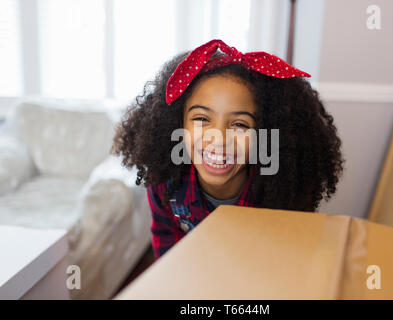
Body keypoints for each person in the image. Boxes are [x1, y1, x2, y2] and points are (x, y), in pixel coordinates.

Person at [111, 39, 344, 259]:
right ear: (177, 123)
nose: (219, 139)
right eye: (202, 118)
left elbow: (291, 257)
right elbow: (167, 244)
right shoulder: (164, 183)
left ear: (265, 132)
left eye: (240, 124)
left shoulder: (286, 190)